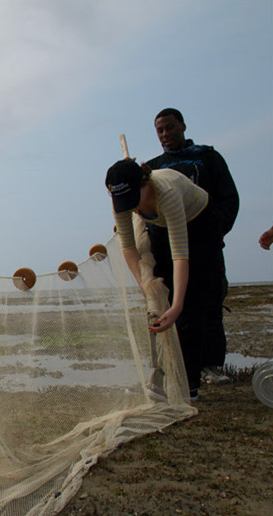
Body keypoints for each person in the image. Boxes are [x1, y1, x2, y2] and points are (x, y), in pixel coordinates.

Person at [105, 159, 226, 401]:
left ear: (144, 181)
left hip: (200, 221)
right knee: (161, 293)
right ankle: (160, 378)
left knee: (191, 302)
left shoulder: (167, 192)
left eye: (132, 199)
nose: (128, 206)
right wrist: (147, 286)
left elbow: (181, 255)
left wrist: (178, 304)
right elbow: (128, 248)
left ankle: (188, 385)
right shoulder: (121, 199)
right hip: (159, 225)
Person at [145, 108, 239, 384]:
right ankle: (179, 367)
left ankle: (211, 365)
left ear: (182, 126)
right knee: (171, 302)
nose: (165, 134)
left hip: (204, 244)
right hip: (166, 248)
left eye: (169, 128)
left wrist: (215, 231)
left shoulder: (207, 158)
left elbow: (229, 199)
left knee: (208, 301)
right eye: (160, 130)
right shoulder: (153, 168)